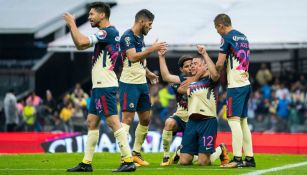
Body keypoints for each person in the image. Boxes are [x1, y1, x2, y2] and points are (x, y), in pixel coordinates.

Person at [64, 2, 135, 172]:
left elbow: (81, 43)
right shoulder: (105, 34)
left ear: (102, 15)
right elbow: (80, 45)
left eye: (91, 14)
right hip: (98, 87)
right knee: (92, 121)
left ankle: (128, 160)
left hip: (105, 85)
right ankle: (86, 163)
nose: (89, 17)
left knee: (113, 122)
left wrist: (72, 24)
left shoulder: (108, 32)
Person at [119, 9, 167, 166]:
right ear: (141, 21)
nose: (151, 27)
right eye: (150, 23)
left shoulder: (140, 38)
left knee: (146, 119)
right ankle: (125, 157)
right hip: (129, 84)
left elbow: (139, 60)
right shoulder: (127, 37)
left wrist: (148, 73)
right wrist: (153, 49)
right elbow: (132, 57)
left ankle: (135, 153)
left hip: (141, 84)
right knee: (127, 119)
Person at [214, 13, 256, 168]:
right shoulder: (243, 37)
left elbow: (219, 63)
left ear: (221, 25)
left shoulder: (226, 38)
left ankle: (237, 159)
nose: (217, 32)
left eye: (216, 28)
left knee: (233, 121)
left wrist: (213, 71)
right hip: (246, 83)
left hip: (236, 86)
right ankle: (249, 158)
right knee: (243, 122)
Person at [176, 45, 229, 166]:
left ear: (204, 66)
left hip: (207, 121)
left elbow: (215, 74)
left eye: (196, 63)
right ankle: (182, 151)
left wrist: (204, 54)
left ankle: (220, 149)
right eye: (191, 64)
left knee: (203, 163)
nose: (192, 66)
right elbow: (180, 90)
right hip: (192, 123)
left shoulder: (210, 81)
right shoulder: (190, 80)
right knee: (184, 161)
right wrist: (198, 75)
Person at [158, 48, 193, 166]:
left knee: (191, 160)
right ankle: (166, 156)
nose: (190, 67)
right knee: (169, 122)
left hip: (196, 120)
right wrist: (161, 57)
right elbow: (166, 77)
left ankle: (180, 152)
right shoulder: (180, 80)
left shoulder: (204, 78)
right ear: (181, 69)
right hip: (181, 117)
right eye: (187, 66)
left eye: (191, 65)